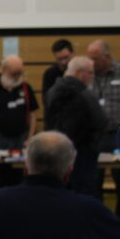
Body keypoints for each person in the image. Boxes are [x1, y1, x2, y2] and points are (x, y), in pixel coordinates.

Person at [86, 39, 120, 223]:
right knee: (94, 180)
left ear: (106, 57)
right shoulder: (88, 75)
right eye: (89, 58)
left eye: (95, 58)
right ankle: (97, 221)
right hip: (96, 136)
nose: (91, 62)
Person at [44, 56, 106, 197]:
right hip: (83, 154)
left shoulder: (52, 92)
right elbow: (101, 121)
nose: (93, 76)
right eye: (90, 72)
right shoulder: (83, 94)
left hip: (58, 152)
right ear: (79, 72)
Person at [41, 38, 73, 104]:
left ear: (73, 53)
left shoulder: (80, 72)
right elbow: (46, 100)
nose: (63, 62)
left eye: (66, 57)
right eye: (59, 59)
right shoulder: (50, 74)